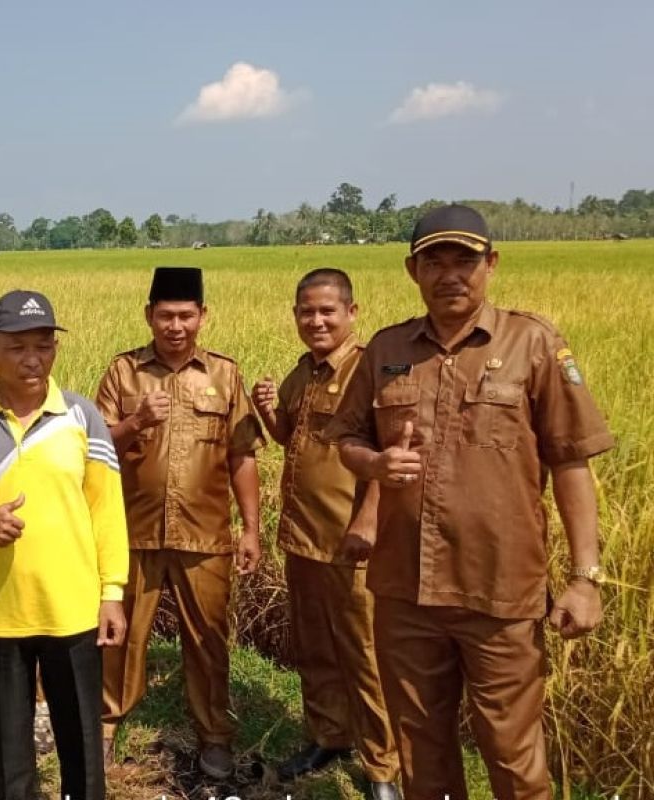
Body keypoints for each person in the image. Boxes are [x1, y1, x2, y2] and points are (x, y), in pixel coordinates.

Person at [327, 205, 614, 800]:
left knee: (512, 756)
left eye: (465, 259)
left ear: (491, 264)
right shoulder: (385, 350)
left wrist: (586, 578)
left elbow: (570, 462)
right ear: (413, 270)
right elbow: (348, 439)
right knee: (421, 750)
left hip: (500, 593)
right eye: (435, 261)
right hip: (406, 592)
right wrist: (376, 464)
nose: (450, 274)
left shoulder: (534, 344)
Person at [0, 289, 128, 800]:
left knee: (81, 747)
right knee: (5, 755)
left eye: (44, 346)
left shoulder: (82, 417)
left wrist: (113, 592)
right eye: (17, 347)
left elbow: (107, 510)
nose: (33, 359)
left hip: (72, 610)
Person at [95, 266, 263, 780]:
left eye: (185, 315)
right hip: (132, 531)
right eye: (165, 315)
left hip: (205, 534)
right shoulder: (123, 373)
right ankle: (104, 726)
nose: (175, 325)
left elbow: (242, 455)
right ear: (149, 315)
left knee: (208, 639)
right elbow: (94, 446)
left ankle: (214, 736)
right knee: (118, 636)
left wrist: (251, 528)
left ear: (202, 316)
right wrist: (135, 422)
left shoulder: (224, 375)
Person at [252, 268, 399, 798]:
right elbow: (290, 437)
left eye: (327, 311)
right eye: (306, 312)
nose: (316, 321)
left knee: (365, 653)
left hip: (351, 543)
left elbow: (387, 456)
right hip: (303, 538)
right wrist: (269, 411)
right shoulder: (304, 373)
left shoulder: (369, 371)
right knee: (313, 648)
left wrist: (367, 522)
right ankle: (327, 735)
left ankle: (383, 766)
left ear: (351, 313)